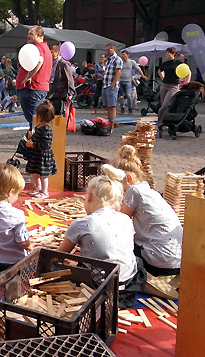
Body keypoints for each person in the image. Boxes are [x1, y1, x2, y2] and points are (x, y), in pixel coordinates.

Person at [57, 165, 146, 308]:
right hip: (128, 285)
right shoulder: (125, 219)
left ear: (89, 196)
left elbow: (57, 256)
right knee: (136, 260)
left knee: (76, 268)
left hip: (97, 285)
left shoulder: (81, 223)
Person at [111, 145, 183, 277]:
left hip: (159, 262)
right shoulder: (148, 190)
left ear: (128, 179)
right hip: (177, 261)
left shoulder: (134, 191)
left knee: (117, 247)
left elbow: (122, 223)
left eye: (116, 182)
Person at [15, 26, 52, 129]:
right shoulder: (45, 48)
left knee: (34, 117)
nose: (28, 36)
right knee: (35, 117)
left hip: (32, 88)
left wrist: (29, 75)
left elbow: (39, 61)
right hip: (37, 87)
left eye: (31, 34)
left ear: (39, 35)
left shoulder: (38, 48)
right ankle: (36, 135)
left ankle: (37, 137)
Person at [25, 100, 57, 199]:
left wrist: (33, 144)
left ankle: (45, 191)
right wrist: (31, 136)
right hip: (36, 155)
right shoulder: (39, 127)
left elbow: (46, 144)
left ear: (40, 116)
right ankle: (38, 187)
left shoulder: (47, 129)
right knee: (34, 172)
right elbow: (37, 138)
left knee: (43, 175)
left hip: (43, 156)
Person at [48, 45, 75, 116]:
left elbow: (69, 79)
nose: (50, 54)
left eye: (52, 52)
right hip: (52, 92)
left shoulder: (63, 64)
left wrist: (70, 93)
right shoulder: (51, 64)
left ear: (58, 53)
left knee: (59, 114)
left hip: (61, 94)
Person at [157, 47, 181, 123]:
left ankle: (164, 121)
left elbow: (187, 70)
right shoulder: (165, 63)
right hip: (164, 85)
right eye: (166, 52)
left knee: (166, 105)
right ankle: (161, 122)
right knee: (163, 105)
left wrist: (187, 80)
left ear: (173, 53)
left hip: (173, 86)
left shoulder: (178, 62)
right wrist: (163, 78)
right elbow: (159, 71)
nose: (167, 54)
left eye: (169, 52)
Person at [119, 50, 146, 115]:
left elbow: (138, 69)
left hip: (128, 81)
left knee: (129, 96)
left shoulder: (131, 62)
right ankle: (122, 109)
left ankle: (130, 109)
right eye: (122, 55)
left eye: (124, 55)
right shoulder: (120, 62)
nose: (123, 56)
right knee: (121, 96)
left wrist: (143, 76)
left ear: (127, 55)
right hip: (120, 81)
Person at [102, 44, 122, 128]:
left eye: (109, 50)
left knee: (112, 105)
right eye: (106, 50)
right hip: (106, 85)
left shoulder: (117, 59)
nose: (107, 52)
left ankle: (112, 123)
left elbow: (118, 72)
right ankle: (109, 121)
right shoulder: (108, 60)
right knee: (108, 105)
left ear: (114, 50)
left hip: (112, 85)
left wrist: (113, 83)